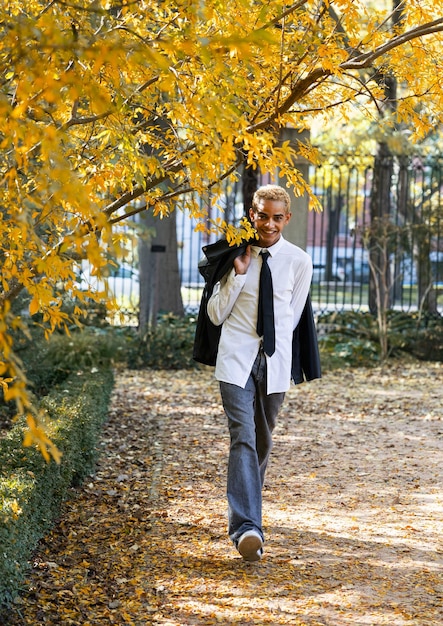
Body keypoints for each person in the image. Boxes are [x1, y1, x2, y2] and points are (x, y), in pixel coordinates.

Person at [207, 184, 313, 562]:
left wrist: (282, 360)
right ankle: (246, 527)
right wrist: (237, 275)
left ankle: (248, 508)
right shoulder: (236, 254)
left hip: (274, 362)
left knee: (262, 441)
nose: (269, 223)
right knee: (244, 437)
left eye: (277, 217)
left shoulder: (299, 261)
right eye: (262, 215)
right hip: (235, 360)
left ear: (287, 218)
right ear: (252, 214)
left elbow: (292, 318)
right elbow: (215, 315)